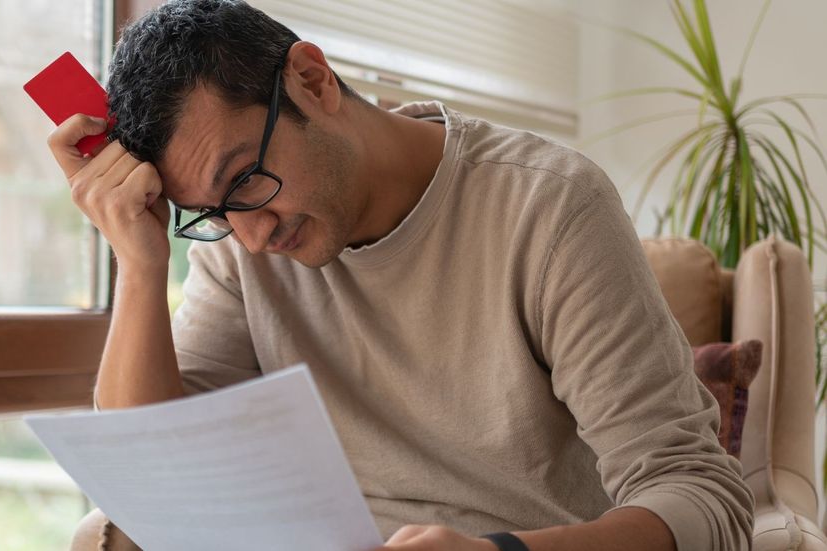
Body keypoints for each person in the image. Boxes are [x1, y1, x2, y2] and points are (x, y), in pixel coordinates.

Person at [47, 1, 755, 550]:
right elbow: (156, 485)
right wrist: (139, 264)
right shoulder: (241, 245)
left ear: (313, 80)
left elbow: (700, 496)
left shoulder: (549, 208)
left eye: (247, 179)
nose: (254, 236)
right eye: (211, 212)